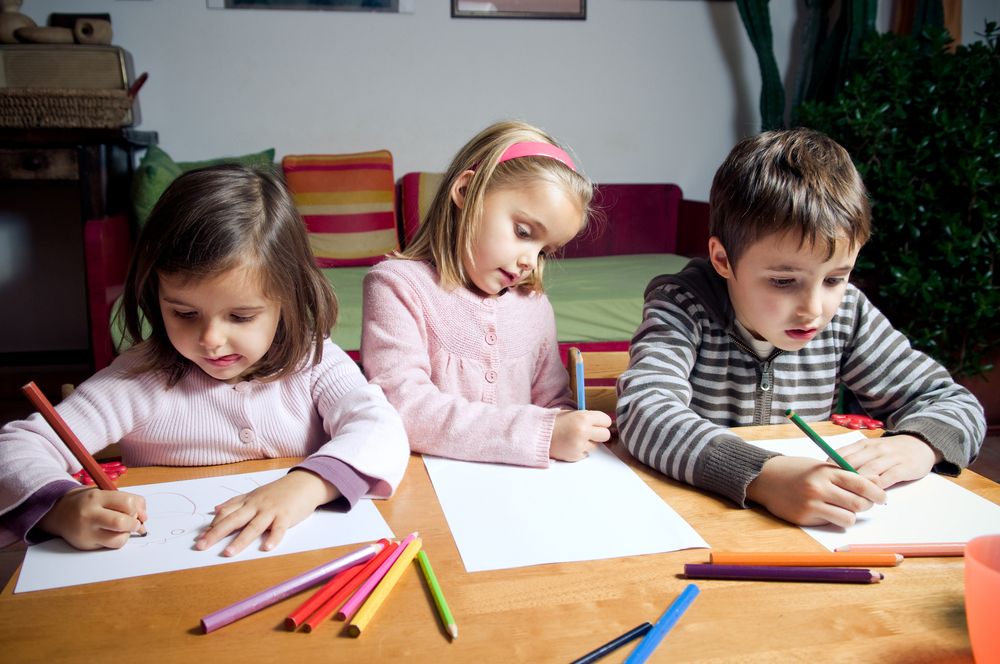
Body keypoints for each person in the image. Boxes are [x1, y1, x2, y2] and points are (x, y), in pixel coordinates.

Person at [0, 164, 409, 555]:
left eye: (241, 316)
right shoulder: (136, 381)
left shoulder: (313, 360)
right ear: (154, 294)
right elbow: (15, 449)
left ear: (288, 297)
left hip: (302, 562)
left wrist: (309, 484)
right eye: (184, 313)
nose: (211, 340)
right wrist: (61, 506)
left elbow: (381, 428)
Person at [617, 128, 986, 527]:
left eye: (834, 279)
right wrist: (763, 476)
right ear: (723, 259)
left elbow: (956, 404)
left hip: (813, 535)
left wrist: (920, 445)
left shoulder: (847, 316)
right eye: (782, 281)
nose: (814, 309)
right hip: (697, 522)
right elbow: (644, 411)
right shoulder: (682, 305)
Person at [362, 120, 612, 467]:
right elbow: (403, 406)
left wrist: (570, 426)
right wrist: (541, 434)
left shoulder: (535, 306)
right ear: (466, 191)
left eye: (544, 251)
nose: (529, 262)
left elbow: (553, 403)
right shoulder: (397, 286)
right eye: (523, 231)